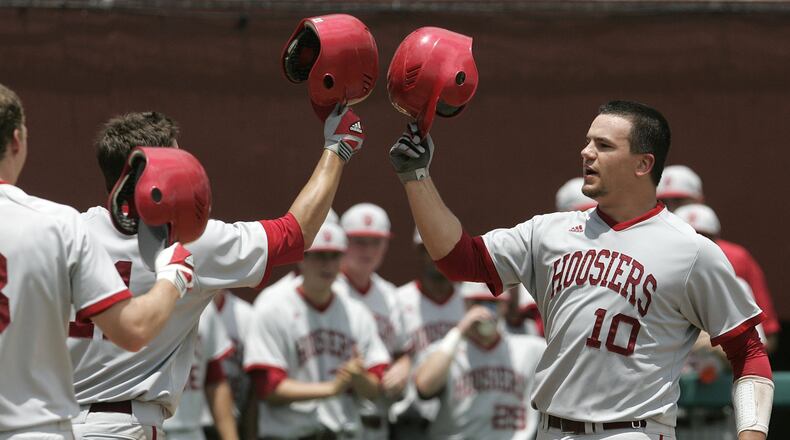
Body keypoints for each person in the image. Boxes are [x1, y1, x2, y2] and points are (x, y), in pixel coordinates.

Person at [388, 101, 773, 439]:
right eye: (588, 141)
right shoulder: (549, 230)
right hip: (550, 429)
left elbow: (750, 352)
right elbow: (460, 260)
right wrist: (416, 176)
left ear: (643, 163)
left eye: (604, 145)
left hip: (633, 431)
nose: (586, 153)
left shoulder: (691, 251)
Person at [68, 105, 365, 440]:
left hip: (48, 425)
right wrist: (337, 148)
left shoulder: (66, 231)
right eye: (176, 157)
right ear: (149, 170)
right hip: (124, 426)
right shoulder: (191, 240)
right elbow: (295, 233)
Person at [0, 84, 195, 438]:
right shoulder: (55, 223)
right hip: (33, 427)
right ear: (16, 140)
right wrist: (174, 276)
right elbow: (132, 330)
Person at [244, 222, 391, 439]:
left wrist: (359, 378)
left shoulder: (356, 312)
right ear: (301, 258)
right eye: (319, 255)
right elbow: (268, 387)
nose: (327, 264)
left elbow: (376, 385)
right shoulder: (273, 307)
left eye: (334, 256)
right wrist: (331, 388)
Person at [657, 169, 780, 351]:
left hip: (717, 368)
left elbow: (766, 337)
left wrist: (722, 348)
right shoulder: (648, 251)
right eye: (663, 202)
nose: (671, 208)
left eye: (679, 200)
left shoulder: (737, 258)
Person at [414, 282, 545, 440]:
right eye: (478, 303)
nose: (485, 310)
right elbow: (424, 387)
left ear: (504, 305)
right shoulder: (446, 350)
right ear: (466, 304)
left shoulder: (530, 349)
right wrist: (459, 330)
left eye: (492, 303)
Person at [336, 203, 408, 440]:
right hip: (337, 417)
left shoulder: (389, 294)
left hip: (379, 423)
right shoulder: (329, 290)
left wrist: (404, 367)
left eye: (376, 242)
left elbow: (402, 350)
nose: (368, 250)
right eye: (360, 241)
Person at [390, 228, 465, 438]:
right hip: (411, 417)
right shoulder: (398, 299)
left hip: (459, 412)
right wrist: (400, 359)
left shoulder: (469, 299)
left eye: (445, 247)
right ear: (419, 252)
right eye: (429, 248)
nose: (437, 254)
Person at [163, 302, 236, 440]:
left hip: (191, 431)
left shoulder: (204, 301)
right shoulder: (131, 295)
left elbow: (215, 380)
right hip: (139, 429)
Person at [201, 290, 256, 440]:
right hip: (191, 421)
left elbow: (255, 388)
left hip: (233, 419)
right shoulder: (180, 308)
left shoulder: (246, 315)